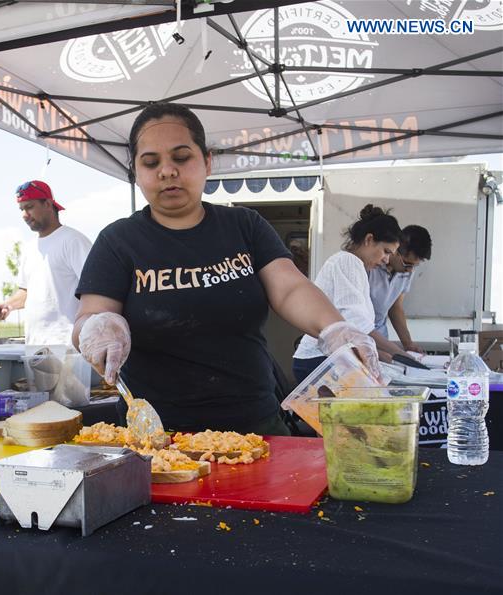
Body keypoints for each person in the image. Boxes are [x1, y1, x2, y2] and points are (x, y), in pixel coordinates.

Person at [71, 102, 380, 436]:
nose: (167, 171)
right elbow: (88, 318)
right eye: (151, 162)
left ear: (206, 160)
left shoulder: (244, 226)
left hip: (256, 425)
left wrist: (334, 328)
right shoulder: (118, 241)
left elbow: (289, 288)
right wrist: (98, 327)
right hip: (158, 436)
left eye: (181, 157)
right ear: (137, 172)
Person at [293, 205, 406, 383]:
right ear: (369, 239)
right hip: (319, 360)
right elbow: (357, 325)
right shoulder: (347, 261)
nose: (386, 260)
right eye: (386, 251)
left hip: (326, 358)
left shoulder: (354, 265)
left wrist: (384, 352)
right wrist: (401, 354)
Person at [0, 180, 92, 345]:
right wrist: (7, 305)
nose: (24, 215)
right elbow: (27, 292)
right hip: (35, 345)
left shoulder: (73, 241)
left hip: (68, 346)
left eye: (29, 207)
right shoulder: (29, 248)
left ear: (48, 204)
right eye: (21, 209)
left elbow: (96, 289)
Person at [369, 224, 432, 355]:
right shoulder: (371, 265)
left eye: (415, 266)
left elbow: (395, 306)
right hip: (359, 335)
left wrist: (408, 344)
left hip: (380, 337)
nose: (410, 270)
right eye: (407, 264)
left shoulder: (407, 270)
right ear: (396, 250)